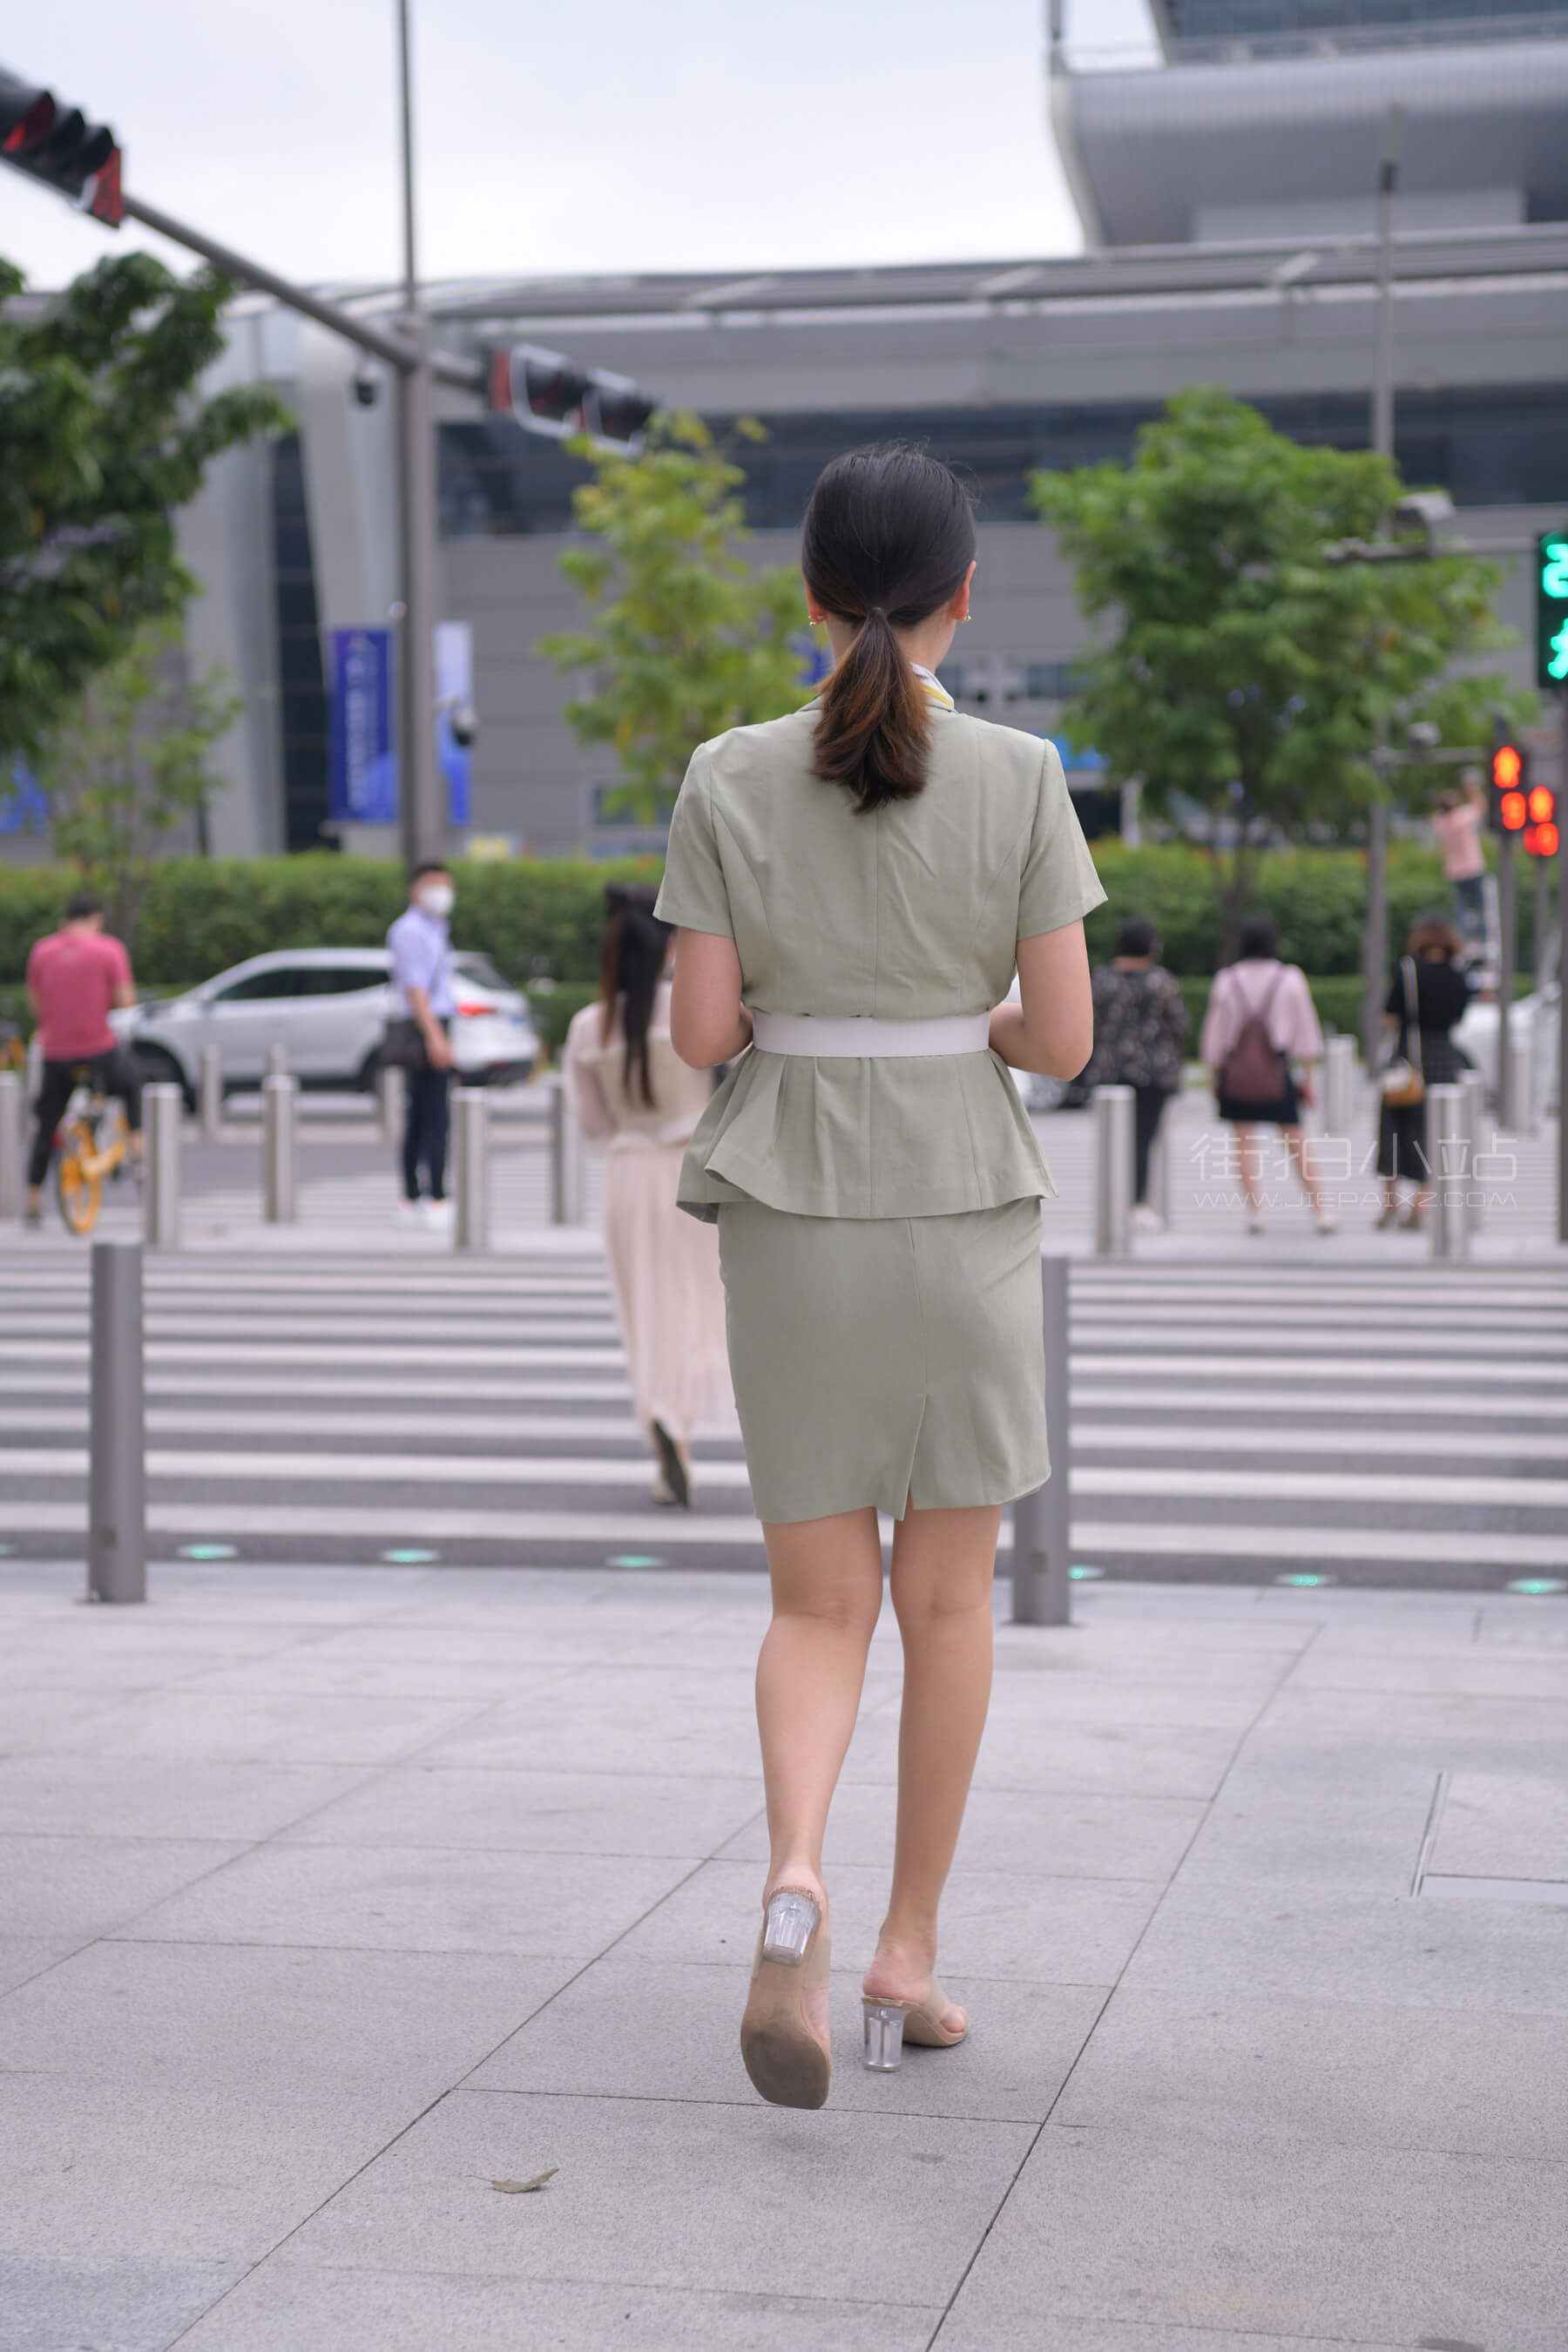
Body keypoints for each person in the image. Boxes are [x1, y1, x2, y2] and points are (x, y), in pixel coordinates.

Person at [654, 443, 1105, 2110]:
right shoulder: (1022, 774)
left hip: (792, 1205)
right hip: (962, 1202)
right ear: (964, 597)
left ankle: (797, 1878)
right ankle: (907, 1953)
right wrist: (960, 1019)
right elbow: (1065, 1039)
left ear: (809, 595)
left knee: (815, 1603)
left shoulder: (726, 774)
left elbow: (703, 1033)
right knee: (948, 1603)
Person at [562, 883, 734, 1505]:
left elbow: (592, 1123)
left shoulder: (589, 1027)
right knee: (700, 1303)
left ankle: (663, 1422)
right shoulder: (695, 1013)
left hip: (629, 1175)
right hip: (694, 1172)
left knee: (645, 1311)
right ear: (669, 946)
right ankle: (681, 1409)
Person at [1200, 913, 1335, 1236]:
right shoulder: (1290, 978)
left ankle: (1255, 1211)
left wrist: (1213, 1075)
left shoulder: (1227, 980)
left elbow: (1215, 1036)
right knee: (1296, 1141)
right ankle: (1320, 1209)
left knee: (1244, 1142)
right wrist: (1308, 1077)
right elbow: (1306, 1032)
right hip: (1277, 1070)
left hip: (1238, 1073)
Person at [24, 892, 142, 1227]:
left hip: (55, 1052)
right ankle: (137, 1150)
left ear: (65, 919)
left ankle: (33, 1197)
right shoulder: (109, 949)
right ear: (97, 919)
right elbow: (125, 1000)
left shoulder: (42, 951)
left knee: (47, 1122)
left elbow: (35, 1004)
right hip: (98, 1049)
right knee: (132, 1085)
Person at [1086, 914, 1189, 1231]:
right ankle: (1138, 1202)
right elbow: (1180, 1025)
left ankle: (1112, 1200)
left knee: (1113, 1137)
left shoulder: (1101, 980)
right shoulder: (1161, 982)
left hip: (1109, 1070)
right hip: (1153, 1072)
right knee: (1144, 1138)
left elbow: (1088, 1023)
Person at [1375, 911, 1474, 1233]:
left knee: (1394, 1128)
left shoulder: (1408, 970)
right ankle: (1421, 1204)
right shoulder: (1458, 976)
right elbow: (1458, 1017)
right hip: (1443, 1057)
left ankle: (1390, 1204)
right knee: (1437, 1129)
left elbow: (1390, 1016)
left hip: (1407, 1058)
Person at [387, 862, 456, 1226]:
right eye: (433, 885)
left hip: (433, 1023)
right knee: (433, 1114)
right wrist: (435, 1037)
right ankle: (434, 1196)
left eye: (446, 885)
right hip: (425, 1025)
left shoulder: (436, 926)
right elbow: (415, 991)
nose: (442, 892)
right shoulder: (410, 930)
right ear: (415, 890)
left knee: (421, 1113)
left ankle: (414, 1194)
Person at [1430, 773, 1488, 952]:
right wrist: (1473, 790)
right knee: (1480, 907)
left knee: (1461, 909)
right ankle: (1482, 939)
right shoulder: (1462, 817)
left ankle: (1463, 940)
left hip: (1455, 871)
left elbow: (1436, 815)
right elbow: (1480, 806)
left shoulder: (1440, 823)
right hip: (1473, 867)